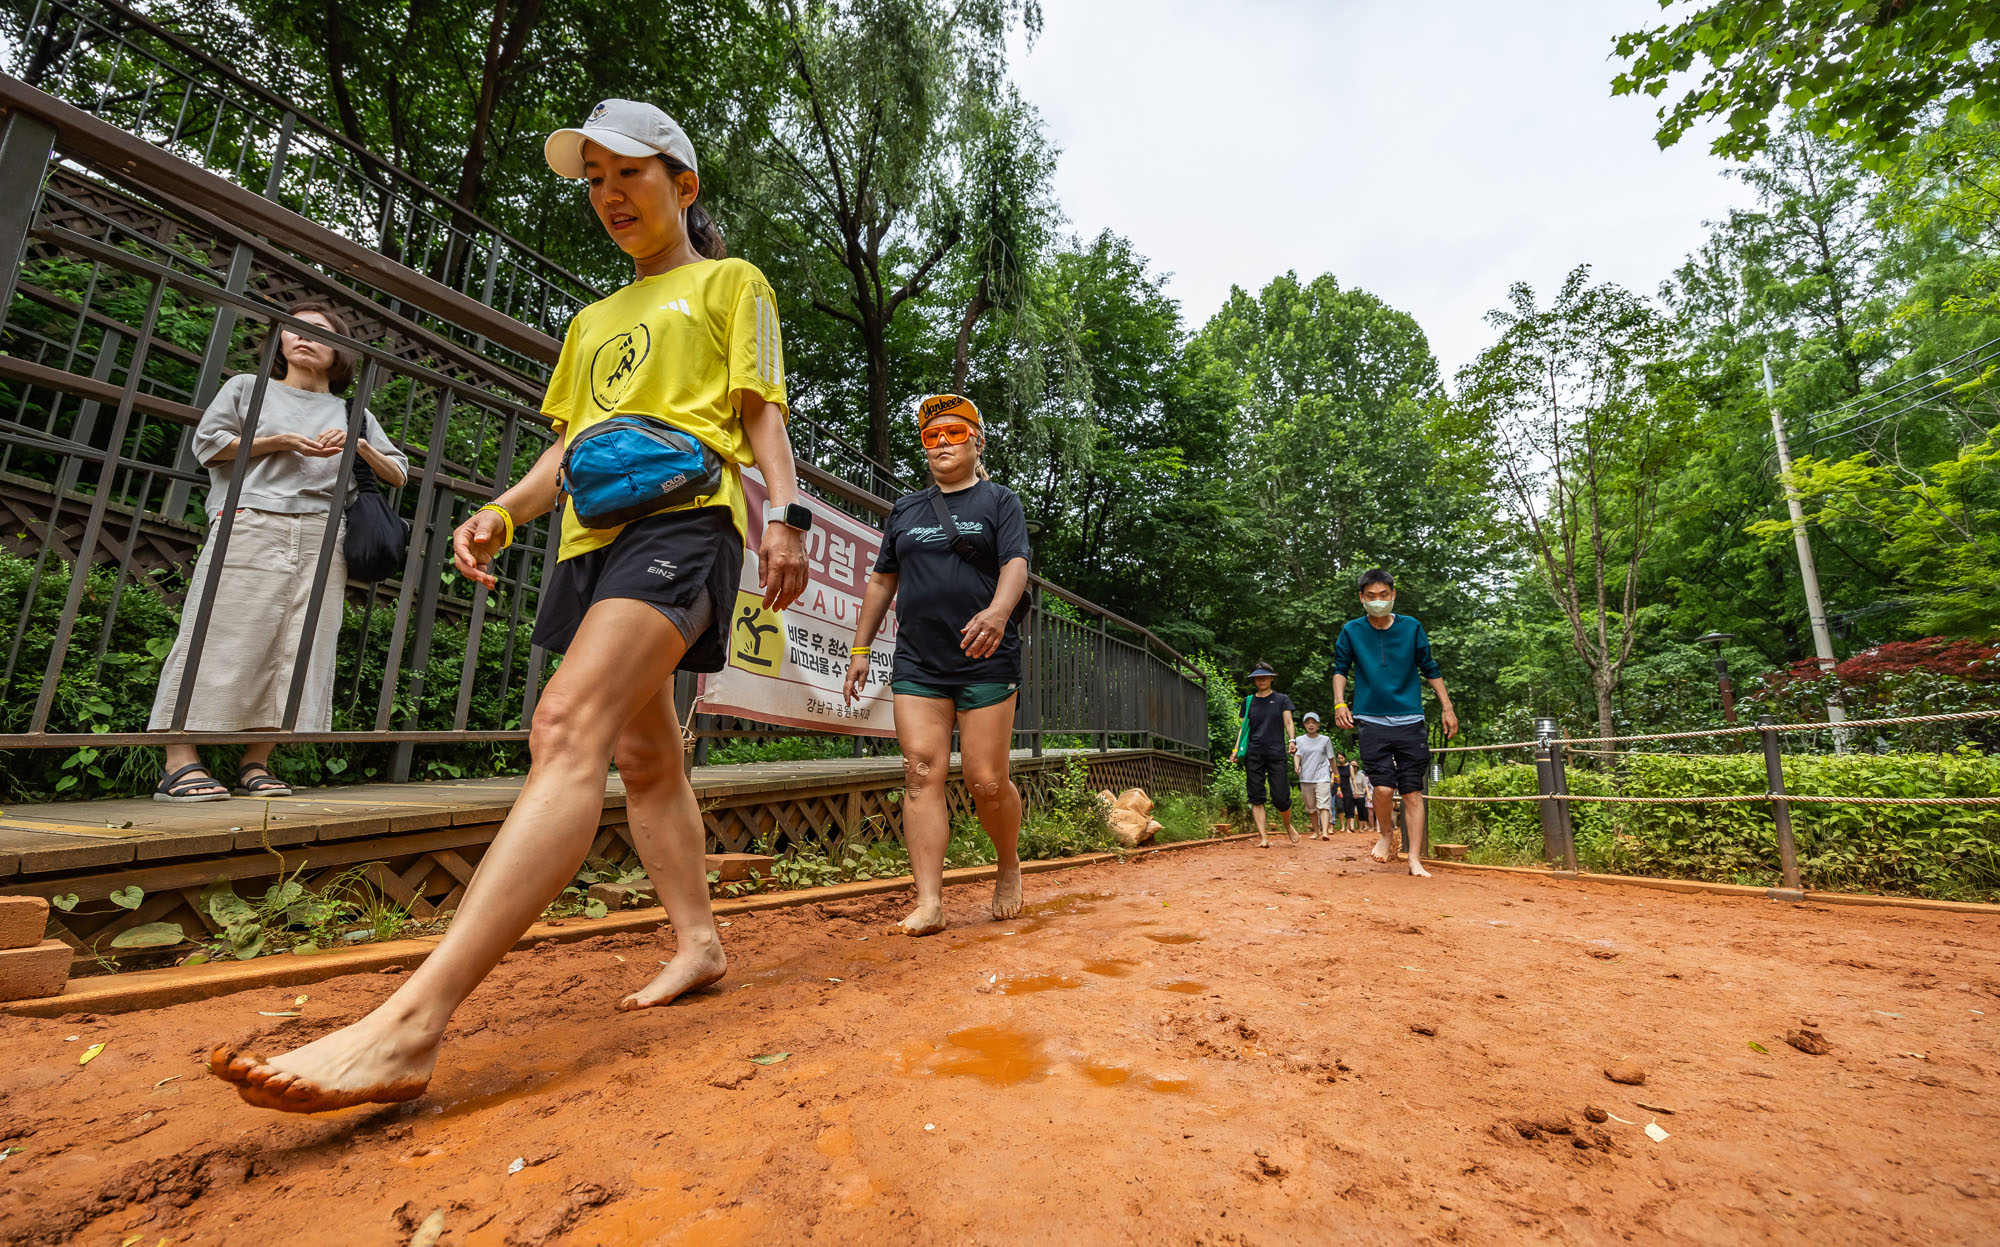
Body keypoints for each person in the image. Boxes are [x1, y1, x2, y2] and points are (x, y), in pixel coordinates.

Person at [209, 99, 809, 1113]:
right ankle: (700, 941)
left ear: (682, 183)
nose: (609, 195)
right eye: (594, 181)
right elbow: (567, 450)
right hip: (589, 542)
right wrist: (502, 511)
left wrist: (785, 516)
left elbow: (760, 414)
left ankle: (412, 1022)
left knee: (564, 726)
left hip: (680, 525)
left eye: (628, 173)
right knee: (645, 756)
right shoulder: (590, 322)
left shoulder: (728, 282)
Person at [149, 303, 409, 801]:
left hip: (324, 533)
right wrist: (280, 441)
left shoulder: (353, 413)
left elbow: (398, 473)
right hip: (251, 519)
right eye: (294, 329)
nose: (303, 336)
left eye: (319, 331)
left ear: (341, 351)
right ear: (280, 343)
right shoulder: (248, 388)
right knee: (216, 633)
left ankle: (257, 761)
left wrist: (358, 445)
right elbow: (209, 445)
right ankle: (178, 760)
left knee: (298, 646)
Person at [841, 393, 1030, 936]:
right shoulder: (906, 509)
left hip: (984, 657)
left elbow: (1015, 563)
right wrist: (860, 649)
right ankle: (929, 902)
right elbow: (883, 581)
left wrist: (998, 612)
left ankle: (1008, 865)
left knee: (986, 780)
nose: (942, 442)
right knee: (920, 772)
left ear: (977, 441)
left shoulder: (1000, 501)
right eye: (931, 436)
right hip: (918, 661)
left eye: (954, 432)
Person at [1331, 568, 1458, 878]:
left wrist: (1447, 707)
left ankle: (1413, 858)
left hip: (1410, 719)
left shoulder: (1411, 627)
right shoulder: (1351, 630)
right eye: (1371, 596)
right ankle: (1386, 834)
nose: (1378, 601)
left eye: (1384, 595)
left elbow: (1430, 668)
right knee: (1384, 788)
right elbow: (1340, 668)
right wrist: (1339, 702)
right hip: (1370, 719)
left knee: (1413, 791)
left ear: (1393, 595)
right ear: (1362, 598)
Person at [1228, 661, 1296, 847]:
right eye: (1258, 678)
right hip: (1254, 752)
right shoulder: (1249, 701)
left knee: (1281, 797)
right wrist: (1236, 750)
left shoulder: (1282, 699)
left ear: (1272, 678)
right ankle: (1263, 837)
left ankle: (1288, 826)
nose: (1261, 680)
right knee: (1256, 795)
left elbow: (1288, 722)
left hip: (1276, 751)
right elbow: (1243, 728)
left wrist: (1292, 740)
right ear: (1254, 680)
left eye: (1265, 677)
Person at [1293, 711, 1335, 839]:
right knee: (1311, 808)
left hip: (1322, 776)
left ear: (1318, 724)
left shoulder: (1325, 740)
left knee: (1324, 805)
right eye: (1308, 722)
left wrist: (1336, 773)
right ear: (1304, 724)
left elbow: (1331, 758)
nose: (1311, 725)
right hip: (1306, 777)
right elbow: (1297, 755)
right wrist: (1296, 765)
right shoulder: (1299, 740)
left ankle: (1325, 832)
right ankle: (1316, 831)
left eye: (1313, 722)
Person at [1332, 751, 1363, 832]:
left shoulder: (1350, 767)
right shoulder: (1336, 767)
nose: (1340, 760)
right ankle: (1342, 825)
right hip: (1338, 789)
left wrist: (1356, 790)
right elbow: (1334, 779)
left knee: (1348, 807)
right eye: (1339, 758)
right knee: (1340, 807)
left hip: (1347, 789)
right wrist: (1337, 789)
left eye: (1342, 758)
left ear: (1345, 758)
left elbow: (1353, 779)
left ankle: (1347, 827)